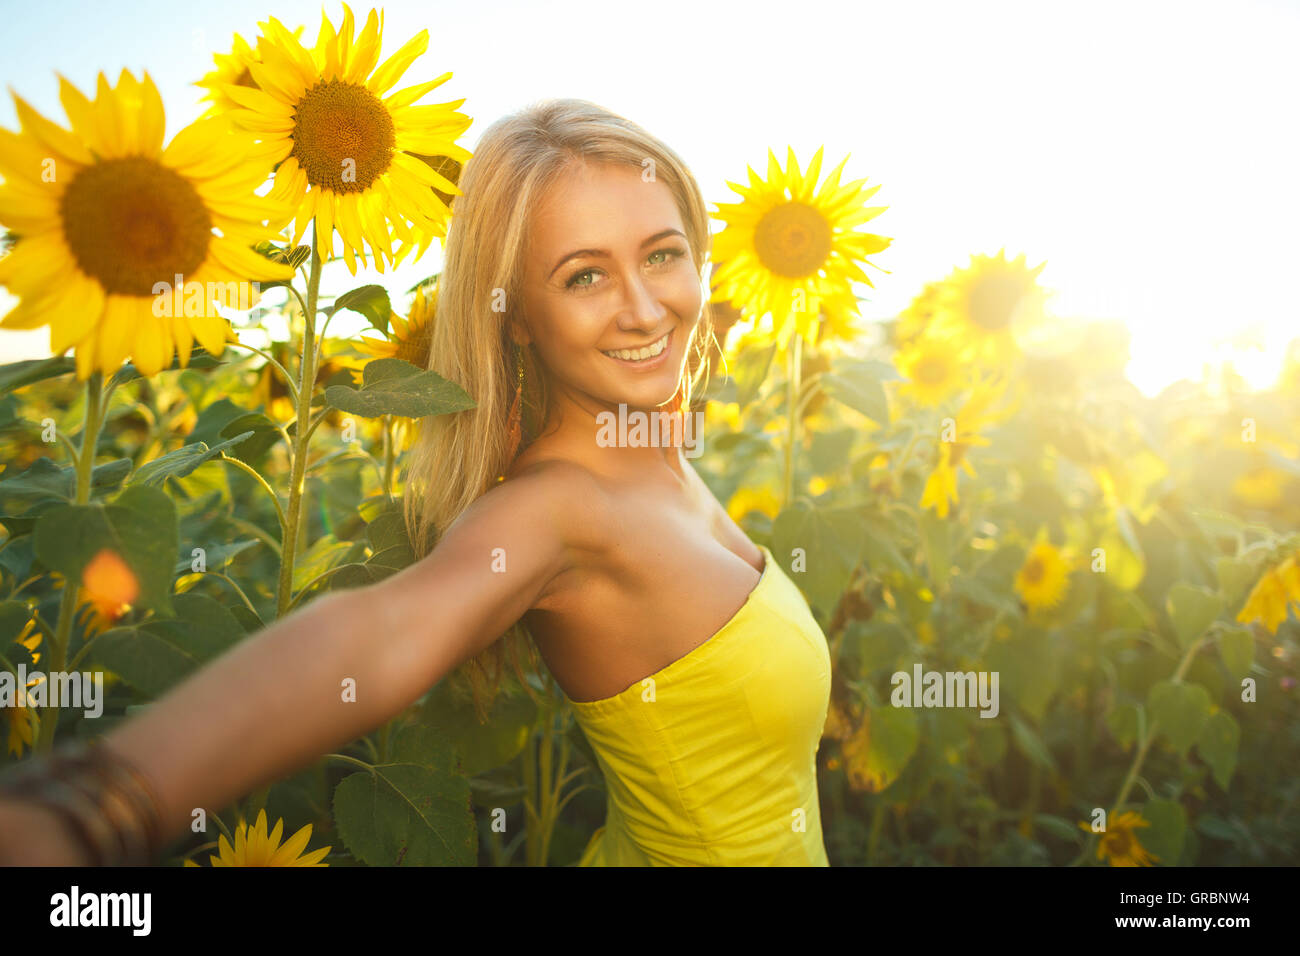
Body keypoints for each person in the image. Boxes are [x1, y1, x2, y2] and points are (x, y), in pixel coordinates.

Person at [0, 98, 832, 867]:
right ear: (514, 316)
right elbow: (380, 629)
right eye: (584, 276)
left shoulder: (655, 455)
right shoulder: (558, 507)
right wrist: (93, 807)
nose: (646, 309)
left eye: (662, 255)